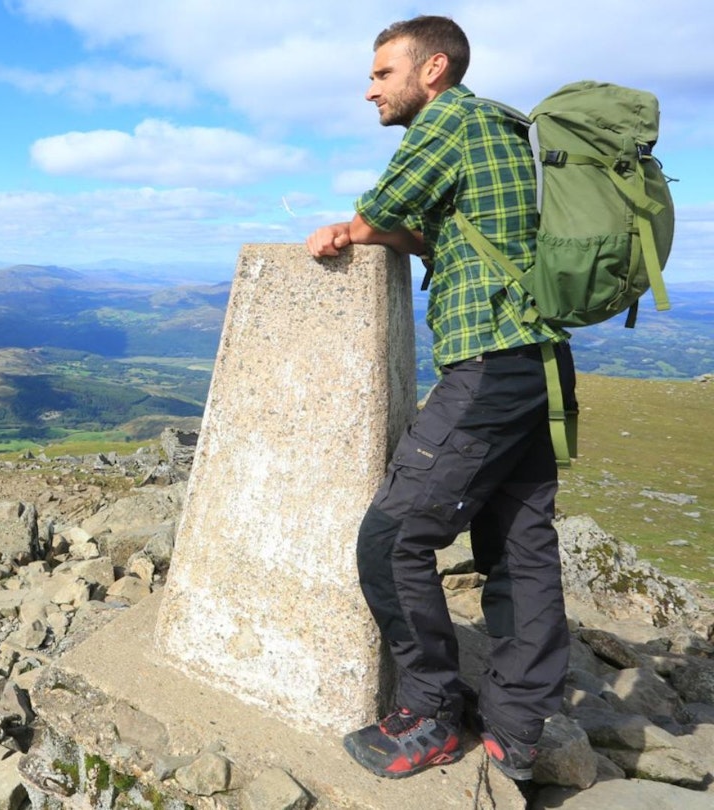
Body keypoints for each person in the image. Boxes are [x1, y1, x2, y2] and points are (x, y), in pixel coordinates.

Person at [305, 15, 574, 781]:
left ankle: (428, 716)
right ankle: (518, 728)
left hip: (488, 365)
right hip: (536, 361)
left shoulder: (450, 118)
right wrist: (379, 232)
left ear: (433, 70)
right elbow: (427, 234)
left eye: (383, 73)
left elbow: (382, 207)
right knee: (519, 547)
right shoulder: (496, 127)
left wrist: (351, 229)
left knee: (391, 540)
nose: (370, 90)